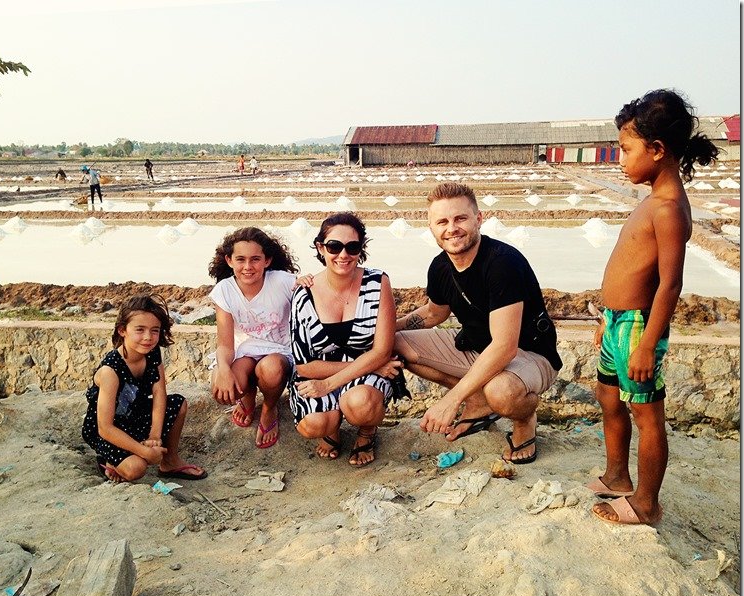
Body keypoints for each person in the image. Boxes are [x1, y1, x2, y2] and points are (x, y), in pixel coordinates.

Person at [590, 89, 719, 526]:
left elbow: (670, 284)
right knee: (608, 396)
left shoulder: (667, 210)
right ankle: (617, 474)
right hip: (616, 324)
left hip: (637, 328)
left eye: (626, 150)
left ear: (658, 150)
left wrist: (646, 344)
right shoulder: (651, 199)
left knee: (647, 415)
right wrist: (606, 318)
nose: (620, 160)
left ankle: (647, 503)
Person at [394, 182, 562, 464]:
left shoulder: (502, 263)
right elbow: (435, 313)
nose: (452, 228)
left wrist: (451, 400)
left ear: (478, 219)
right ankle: (479, 402)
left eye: (460, 218)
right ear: (431, 227)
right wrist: (385, 329)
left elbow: (505, 348)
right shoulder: (440, 265)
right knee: (396, 343)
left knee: (502, 392)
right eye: (442, 222)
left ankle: (524, 420)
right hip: (477, 347)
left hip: (529, 355)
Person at [289, 212, 402, 466]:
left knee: (361, 404)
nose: (343, 255)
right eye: (334, 246)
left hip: (369, 374)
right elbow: (304, 365)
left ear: (361, 249)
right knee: (313, 424)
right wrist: (330, 381)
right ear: (321, 248)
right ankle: (332, 429)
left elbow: (382, 351)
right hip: (323, 373)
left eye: (352, 247)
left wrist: (330, 385)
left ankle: (366, 431)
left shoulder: (377, 282)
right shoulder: (303, 294)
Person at [82, 294, 207, 482]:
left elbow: (159, 393)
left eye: (154, 330)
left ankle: (170, 462)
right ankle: (107, 461)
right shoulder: (111, 370)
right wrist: (145, 452)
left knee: (178, 404)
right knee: (136, 469)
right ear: (123, 330)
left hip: (135, 417)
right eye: (140, 329)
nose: (148, 337)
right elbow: (105, 428)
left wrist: (154, 437)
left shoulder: (151, 352)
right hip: (110, 430)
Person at [208, 227, 299, 448]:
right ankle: (247, 397)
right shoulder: (225, 290)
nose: (248, 267)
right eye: (241, 259)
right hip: (245, 351)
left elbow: (316, 292)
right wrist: (223, 370)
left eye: (255, 259)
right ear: (229, 261)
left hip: (279, 350)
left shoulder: (283, 282)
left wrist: (308, 281)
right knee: (223, 387)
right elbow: (226, 344)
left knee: (270, 369)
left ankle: (269, 406)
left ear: (267, 260)